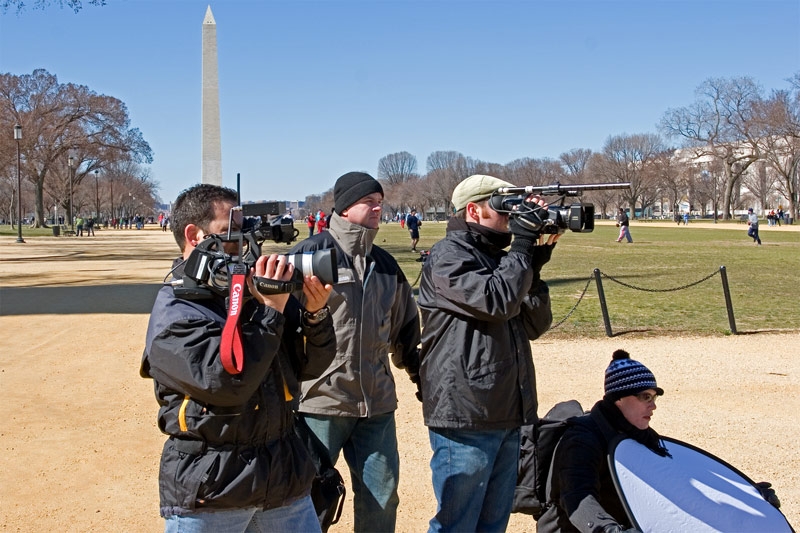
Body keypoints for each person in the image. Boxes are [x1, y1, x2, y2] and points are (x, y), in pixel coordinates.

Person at [140, 183, 336, 532]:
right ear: (193, 234)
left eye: (245, 231)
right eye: (229, 232)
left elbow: (311, 366)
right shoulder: (176, 311)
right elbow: (226, 382)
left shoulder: (255, 294)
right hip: (213, 492)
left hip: (283, 483)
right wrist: (271, 312)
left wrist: (315, 315)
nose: (242, 244)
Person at [418, 174, 558, 532]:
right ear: (474, 211)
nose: (512, 217)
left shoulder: (501, 258)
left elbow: (533, 325)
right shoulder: (447, 256)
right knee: (456, 524)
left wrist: (533, 266)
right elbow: (496, 301)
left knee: (492, 524)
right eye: (503, 207)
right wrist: (523, 249)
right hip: (467, 413)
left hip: (506, 409)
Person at [288, 171, 421, 533]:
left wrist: (423, 379)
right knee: (308, 500)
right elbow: (278, 330)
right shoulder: (307, 257)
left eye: (380, 202)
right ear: (346, 208)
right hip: (319, 404)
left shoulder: (387, 266)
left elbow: (407, 334)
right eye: (369, 202)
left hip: (376, 406)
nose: (378, 208)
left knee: (382, 497)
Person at [537, 349, 780, 533]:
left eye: (654, 397)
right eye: (645, 397)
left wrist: (749, 497)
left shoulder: (639, 434)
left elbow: (683, 480)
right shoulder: (581, 439)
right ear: (619, 399)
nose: (653, 405)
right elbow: (579, 500)